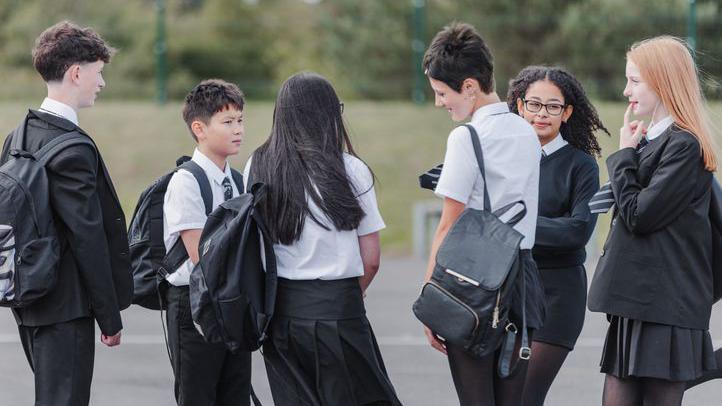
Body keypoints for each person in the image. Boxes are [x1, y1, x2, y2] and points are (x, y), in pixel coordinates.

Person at [245, 72, 401, 405]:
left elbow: (253, 247)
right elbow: (371, 258)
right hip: (340, 309)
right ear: (328, 114)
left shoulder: (257, 165)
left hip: (282, 313)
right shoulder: (350, 169)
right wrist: (340, 300)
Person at [0, 21, 132, 406]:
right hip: (66, 307)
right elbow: (87, 236)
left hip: (29, 298)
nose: (101, 83)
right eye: (98, 72)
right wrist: (110, 317)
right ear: (76, 72)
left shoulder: (20, 133)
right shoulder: (73, 148)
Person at [587, 36, 718, 406]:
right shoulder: (655, 139)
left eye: (634, 81)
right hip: (640, 301)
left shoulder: (685, 145)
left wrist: (624, 155)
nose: (625, 89)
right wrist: (631, 151)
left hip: (666, 305)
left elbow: (639, 215)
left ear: (663, 81)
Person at [421, 22, 545, 406]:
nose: (440, 102)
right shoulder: (526, 131)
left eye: (442, 92)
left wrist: (431, 299)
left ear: (470, 87)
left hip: (472, 281)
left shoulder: (466, 137)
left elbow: (448, 224)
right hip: (522, 278)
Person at [507, 66, 608, 405]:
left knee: (525, 396)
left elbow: (578, 231)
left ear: (566, 113)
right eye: (534, 104)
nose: (541, 114)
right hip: (506, 291)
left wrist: (511, 223)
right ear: (520, 106)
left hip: (557, 296)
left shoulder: (582, 165)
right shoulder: (502, 159)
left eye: (552, 107)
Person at [162, 79, 252, 405]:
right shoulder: (187, 181)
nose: (238, 129)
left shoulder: (239, 180)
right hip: (193, 304)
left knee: (235, 395)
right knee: (198, 396)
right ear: (199, 128)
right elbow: (203, 256)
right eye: (228, 122)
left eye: (240, 120)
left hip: (231, 300)